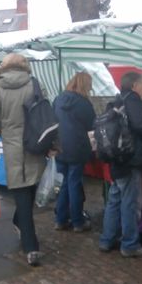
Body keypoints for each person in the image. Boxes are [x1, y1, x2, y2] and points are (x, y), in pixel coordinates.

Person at [0, 53, 49, 266]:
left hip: (13, 146)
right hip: (35, 143)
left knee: (22, 196)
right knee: (30, 189)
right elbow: (45, 113)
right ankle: (30, 245)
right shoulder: (34, 83)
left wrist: (8, 135)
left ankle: (25, 235)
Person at [99, 72, 142, 258]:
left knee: (115, 200)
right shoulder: (133, 100)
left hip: (117, 158)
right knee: (131, 203)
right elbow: (141, 126)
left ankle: (107, 240)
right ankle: (130, 244)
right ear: (135, 85)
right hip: (131, 158)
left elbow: (139, 122)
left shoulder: (118, 100)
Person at [52, 72, 96, 232]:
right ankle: (78, 222)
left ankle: (60, 219)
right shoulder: (83, 102)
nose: (91, 89)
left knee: (66, 183)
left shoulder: (58, 99)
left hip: (60, 147)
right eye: (90, 85)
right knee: (74, 184)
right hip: (77, 147)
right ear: (85, 85)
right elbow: (92, 124)